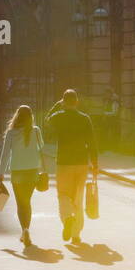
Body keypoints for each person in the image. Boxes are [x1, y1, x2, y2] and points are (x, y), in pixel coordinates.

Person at [44, 89, 98, 245]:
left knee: (63, 194)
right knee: (78, 198)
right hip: (81, 162)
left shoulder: (58, 117)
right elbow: (92, 142)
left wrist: (56, 106)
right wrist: (95, 163)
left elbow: (47, 121)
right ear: (77, 102)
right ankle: (76, 235)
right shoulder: (85, 118)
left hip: (64, 162)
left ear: (64, 101)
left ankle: (68, 218)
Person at [0, 105, 45, 247]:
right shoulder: (36, 131)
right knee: (27, 202)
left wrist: (1, 173)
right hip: (32, 171)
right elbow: (41, 147)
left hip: (17, 171)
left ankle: (24, 230)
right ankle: (26, 230)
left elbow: (5, 154)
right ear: (31, 117)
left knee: (20, 203)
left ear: (17, 116)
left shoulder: (11, 133)